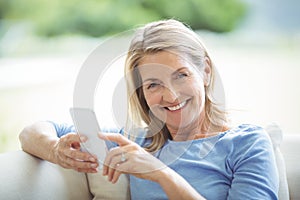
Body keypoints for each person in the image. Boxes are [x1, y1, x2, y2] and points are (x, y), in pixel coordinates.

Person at [19, 19, 279, 199]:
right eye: (153, 85)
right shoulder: (137, 143)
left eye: (181, 75)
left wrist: (160, 173)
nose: (171, 95)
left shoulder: (247, 143)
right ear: (142, 94)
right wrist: (55, 150)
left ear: (206, 72)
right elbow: (32, 132)